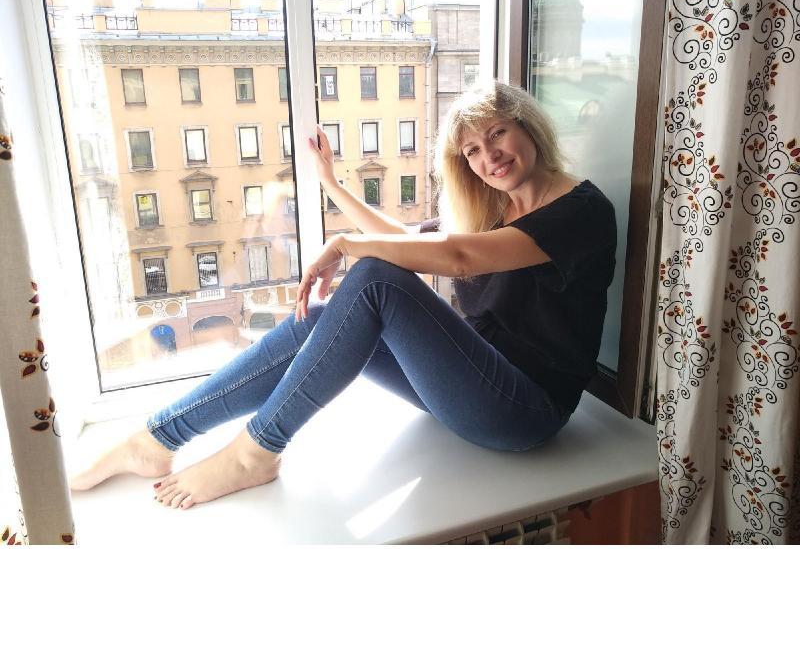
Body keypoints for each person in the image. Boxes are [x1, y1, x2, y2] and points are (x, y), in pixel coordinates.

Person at [70, 81, 617, 510]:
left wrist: (346, 246)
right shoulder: (497, 208)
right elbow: (406, 240)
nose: (488, 156)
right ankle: (158, 437)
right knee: (321, 314)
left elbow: (458, 258)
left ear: (528, 126)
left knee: (374, 279)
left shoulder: (582, 211)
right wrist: (333, 188)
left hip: (522, 411)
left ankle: (256, 450)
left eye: (497, 133)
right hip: (469, 385)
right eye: (472, 150)